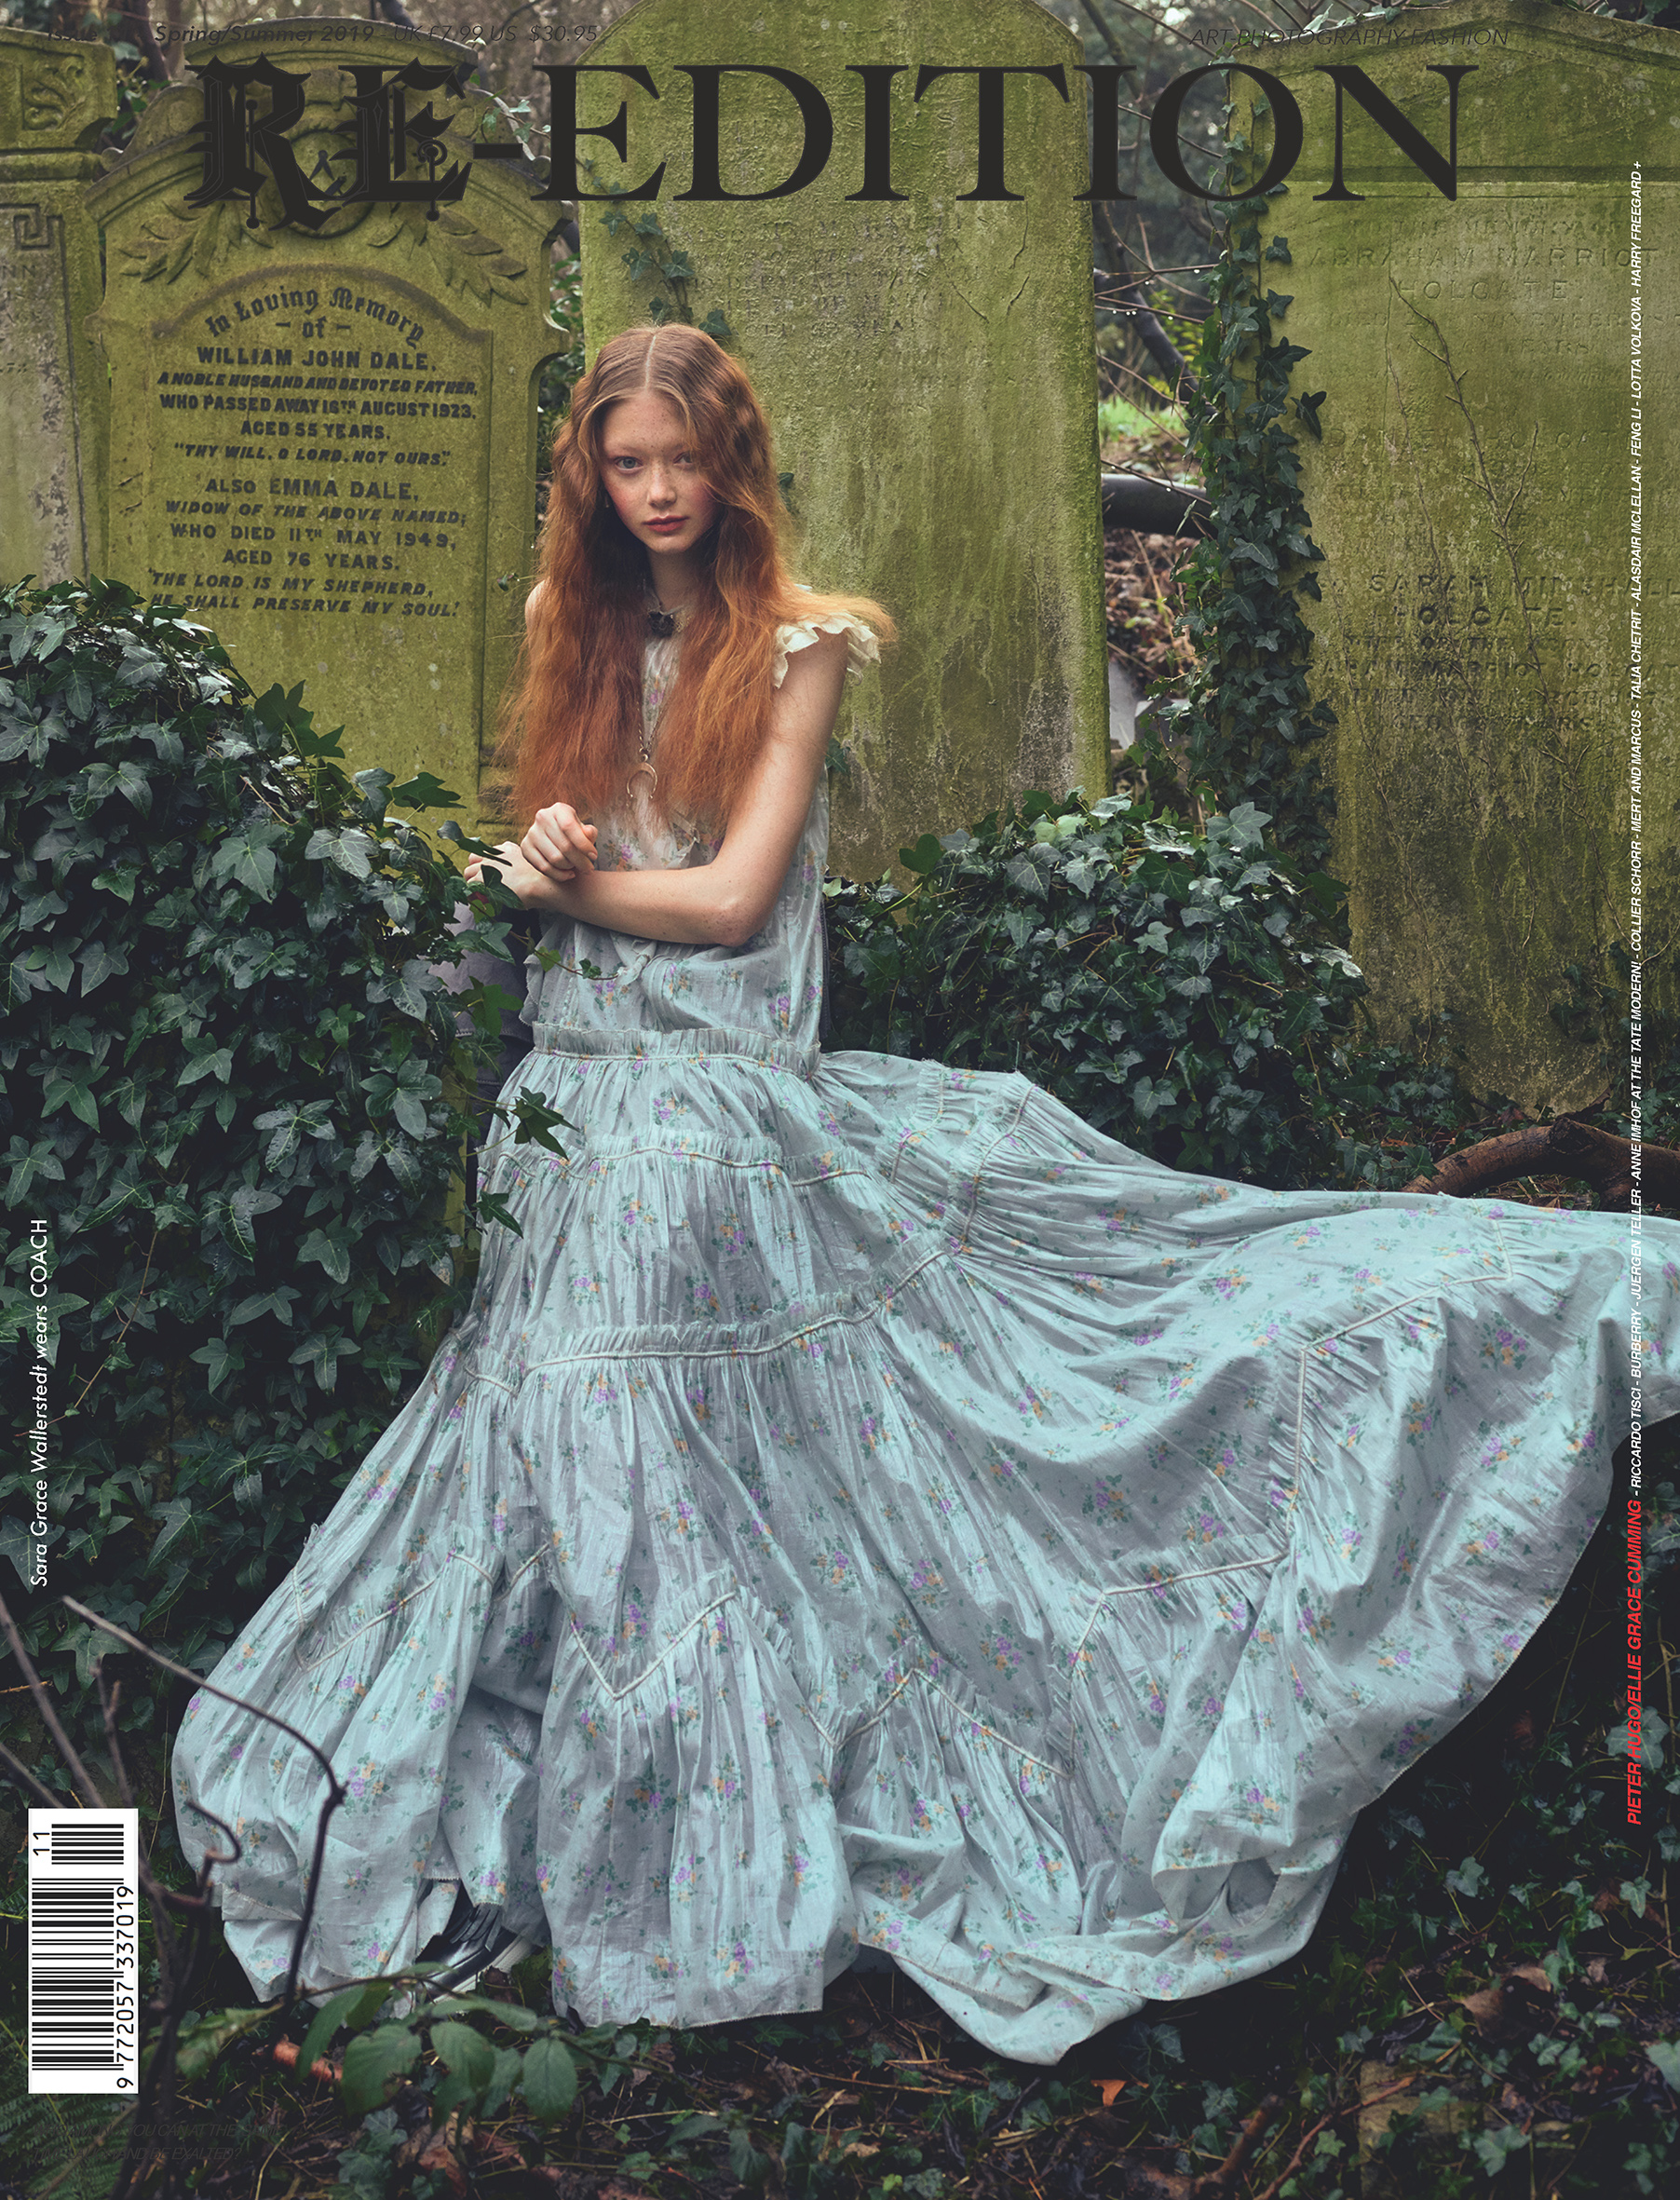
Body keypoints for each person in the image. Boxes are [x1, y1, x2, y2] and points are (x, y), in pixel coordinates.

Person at [173, 325, 1675, 2066]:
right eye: (625, 465)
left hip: (722, 1100)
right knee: (569, 1435)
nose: (655, 493)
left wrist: (550, 888)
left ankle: (700, 1867)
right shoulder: (560, 625)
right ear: (590, 477)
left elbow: (733, 903)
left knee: (822, 1358)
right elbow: (553, 842)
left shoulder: (801, 645)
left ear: (734, 464)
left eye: (682, 460)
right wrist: (542, 850)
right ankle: (566, 1835)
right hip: (569, 1100)